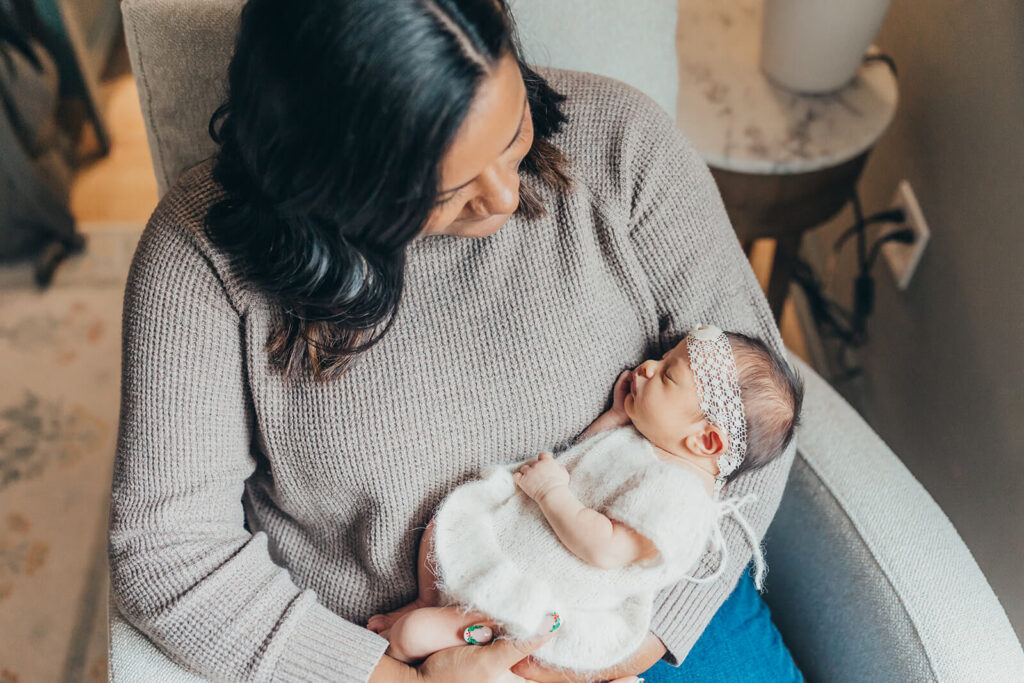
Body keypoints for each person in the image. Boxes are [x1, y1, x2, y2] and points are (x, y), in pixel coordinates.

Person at [106, 0, 803, 681]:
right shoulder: (198, 259)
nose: (503, 197)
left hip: (639, 614)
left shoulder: (624, 144)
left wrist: (614, 650)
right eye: (447, 186)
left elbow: (758, 424)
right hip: (402, 651)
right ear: (331, 177)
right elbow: (170, 553)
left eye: (512, 134)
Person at [365, 327, 804, 679]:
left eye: (668, 374)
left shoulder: (682, 498)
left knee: (410, 637)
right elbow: (591, 465)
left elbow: (606, 548)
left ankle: (420, 632)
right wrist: (613, 420)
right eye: (664, 357)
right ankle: (428, 601)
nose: (648, 366)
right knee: (446, 525)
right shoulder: (653, 443)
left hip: (535, 598)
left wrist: (550, 492)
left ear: (705, 440)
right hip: (514, 551)